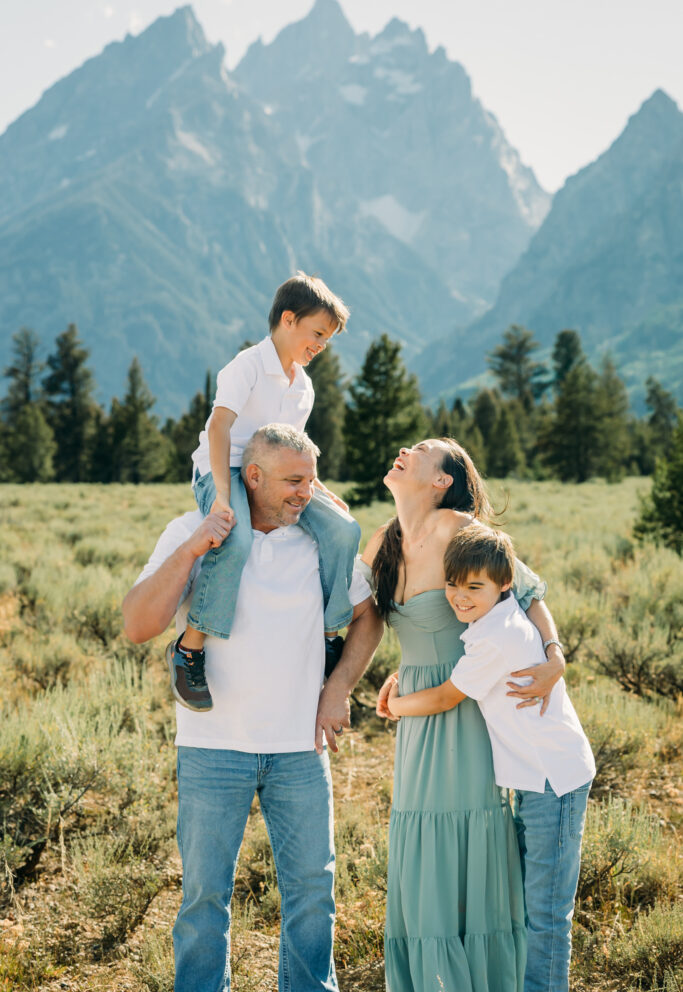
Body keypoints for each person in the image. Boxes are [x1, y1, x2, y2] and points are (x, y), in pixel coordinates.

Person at [122, 424, 383, 992]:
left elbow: (370, 616)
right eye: (294, 481)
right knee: (204, 901)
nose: (305, 494)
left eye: (311, 481)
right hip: (213, 748)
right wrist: (194, 548)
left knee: (314, 896)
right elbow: (138, 624)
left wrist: (337, 689)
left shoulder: (319, 540)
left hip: (298, 751)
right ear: (253, 477)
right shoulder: (193, 529)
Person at [361, 438, 566, 992]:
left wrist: (555, 657)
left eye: (421, 449)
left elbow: (526, 591)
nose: (403, 448)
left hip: (467, 703)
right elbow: (363, 619)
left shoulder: (457, 529)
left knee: (468, 828)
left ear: (441, 480)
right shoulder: (382, 540)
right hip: (416, 708)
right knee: (417, 834)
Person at [386, 524, 595, 992]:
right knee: (531, 904)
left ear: (505, 585)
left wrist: (394, 706)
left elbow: (444, 698)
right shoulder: (494, 620)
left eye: (474, 587)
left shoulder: (494, 636)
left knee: (545, 912)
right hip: (536, 778)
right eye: (453, 585)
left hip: (553, 780)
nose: (460, 597)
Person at [170, 271, 361, 712]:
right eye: (317, 333)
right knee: (234, 538)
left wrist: (322, 492)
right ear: (288, 319)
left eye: (328, 339)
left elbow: (293, 453)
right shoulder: (247, 366)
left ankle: (329, 637)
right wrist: (222, 495)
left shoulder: (304, 387)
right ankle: (189, 648)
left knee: (343, 531)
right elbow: (219, 428)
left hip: (275, 476)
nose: (321, 345)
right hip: (226, 469)